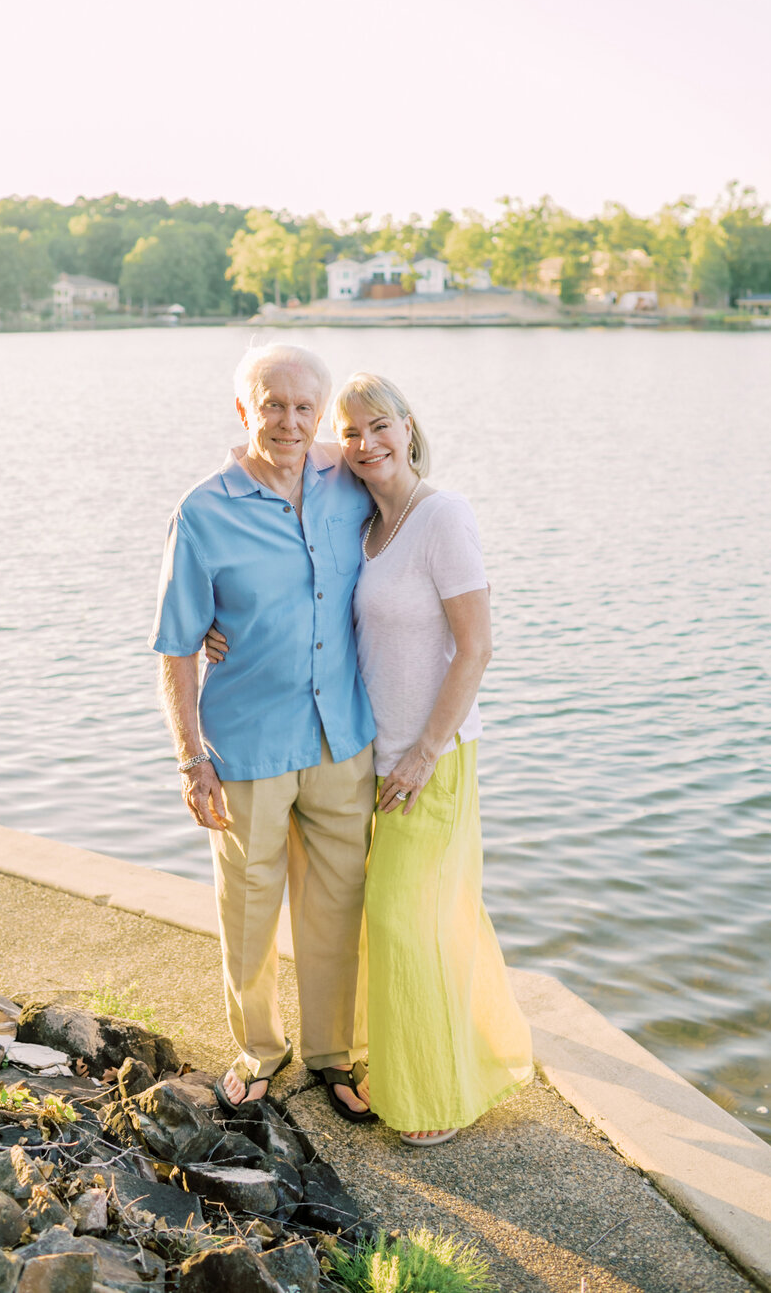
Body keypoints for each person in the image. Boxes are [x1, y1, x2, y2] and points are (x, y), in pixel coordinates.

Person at [150, 343, 378, 1123]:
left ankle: (332, 1053)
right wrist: (191, 761)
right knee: (247, 908)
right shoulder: (203, 511)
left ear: (321, 414)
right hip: (245, 746)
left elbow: (415, 518)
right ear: (243, 411)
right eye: (271, 405)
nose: (287, 421)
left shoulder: (351, 485)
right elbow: (177, 648)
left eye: (303, 407)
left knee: (338, 908)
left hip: (341, 739)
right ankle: (259, 1050)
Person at [330, 370, 533, 1146]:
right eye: (352, 433)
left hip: (431, 761)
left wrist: (423, 752)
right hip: (372, 759)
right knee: (423, 919)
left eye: (381, 425)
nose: (368, 443)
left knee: (405, 922)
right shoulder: (367, 528)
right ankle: (420, 1060)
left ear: (410, 426)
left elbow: (477, 649)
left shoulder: (443, 515)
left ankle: (434, 1098)